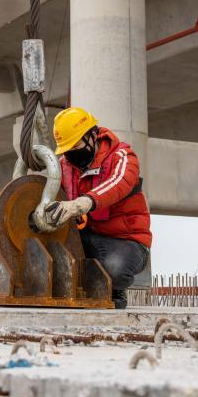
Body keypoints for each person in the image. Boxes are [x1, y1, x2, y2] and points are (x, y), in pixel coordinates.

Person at [44, 107, 151, 309]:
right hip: (86, 237)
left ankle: (115, 288)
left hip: (125, 240)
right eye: (67, 149)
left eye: (76, 146)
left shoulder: (122, 157)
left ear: (92, 135)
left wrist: (84, 202)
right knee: (52, 254)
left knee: (114, 269)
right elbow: (50, 194)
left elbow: (119, 182)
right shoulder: (64, 165)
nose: (72, 153)